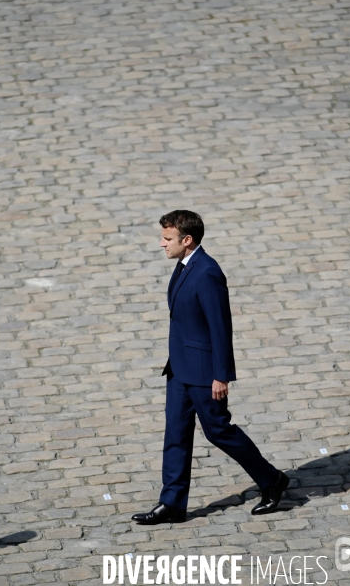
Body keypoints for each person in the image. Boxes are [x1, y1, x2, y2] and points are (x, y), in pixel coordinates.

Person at [132, 210, 289, 525]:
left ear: (186, 240)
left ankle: (272, 480)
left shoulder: (207, 273)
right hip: (178, 370)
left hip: (204, 374)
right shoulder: (183, 266)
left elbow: (221, 327)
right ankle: (173, 503)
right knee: (175, 434)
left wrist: (221, 375)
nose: (161, 244)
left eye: (167, 239)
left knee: (219, 431)